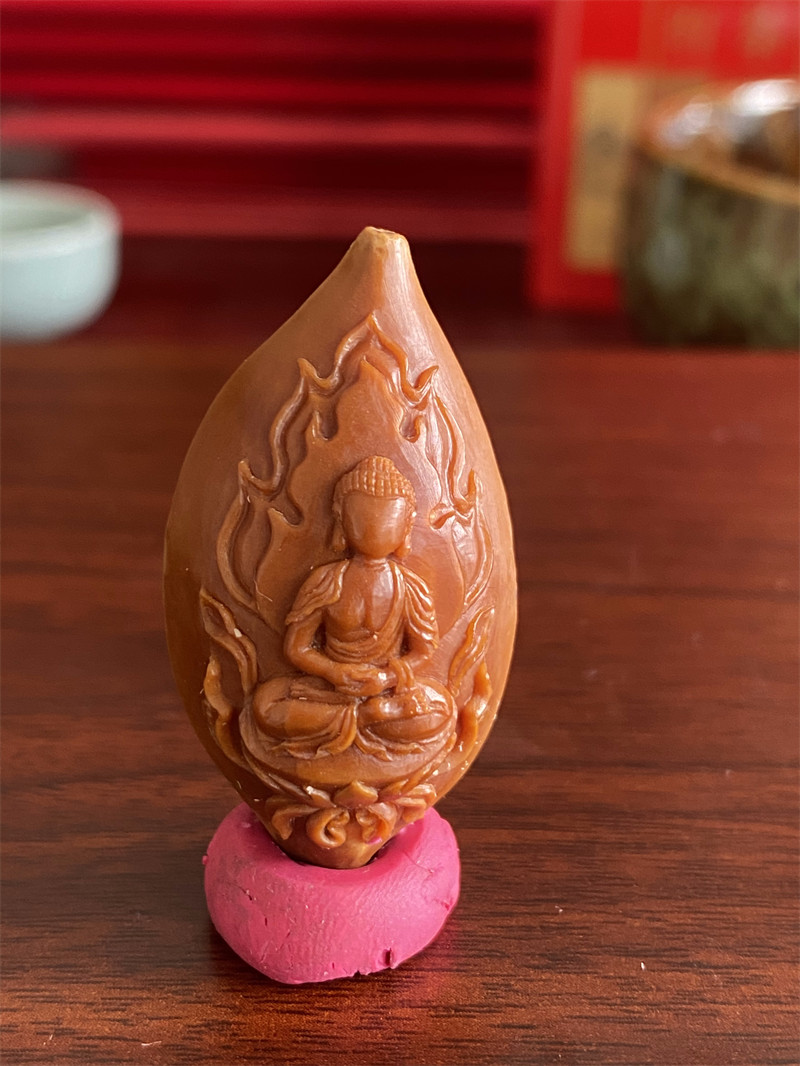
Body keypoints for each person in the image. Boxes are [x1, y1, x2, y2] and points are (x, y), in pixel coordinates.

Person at [239, 455, 455, 764]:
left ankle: (366, 716)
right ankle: (368, 717)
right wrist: (334, 671)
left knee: (442, 706)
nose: (375, 528)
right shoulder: (326, 581)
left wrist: (385, 679)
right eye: (364, 519)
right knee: (266, 704)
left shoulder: (409, 587)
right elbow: (297, 648)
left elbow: (423, 651)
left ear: (406, 526)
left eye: (388, 520)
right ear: (342, 521)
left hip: (385, 690)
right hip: (329, 688)